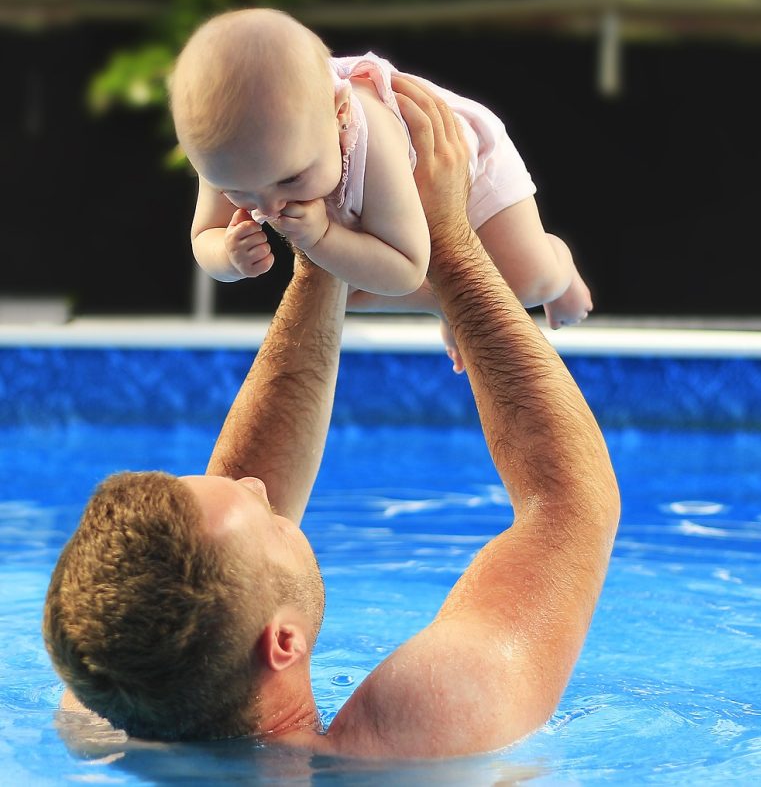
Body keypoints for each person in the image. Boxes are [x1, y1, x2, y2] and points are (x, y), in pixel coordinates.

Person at [43, 75, 621, 757]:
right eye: (259, 514)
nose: (259, 487)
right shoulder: (419, 733)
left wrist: (324, 255)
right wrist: (453, 243)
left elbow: (209, 578)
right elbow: (569, 506)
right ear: (282, 644)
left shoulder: (110, 700)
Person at [171, 7, 593, 372]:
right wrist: (226, 257)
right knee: (342, 295)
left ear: (338, 114)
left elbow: (407, 267)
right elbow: (202, 238)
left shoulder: (373, 141)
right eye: (236, 191)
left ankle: (560, 266)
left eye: (290, 180)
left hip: (464, 164)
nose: (269, 205)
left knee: (525, 281)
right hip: (389, 220)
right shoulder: (231, 152)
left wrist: (322, 238)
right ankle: (449, 302)